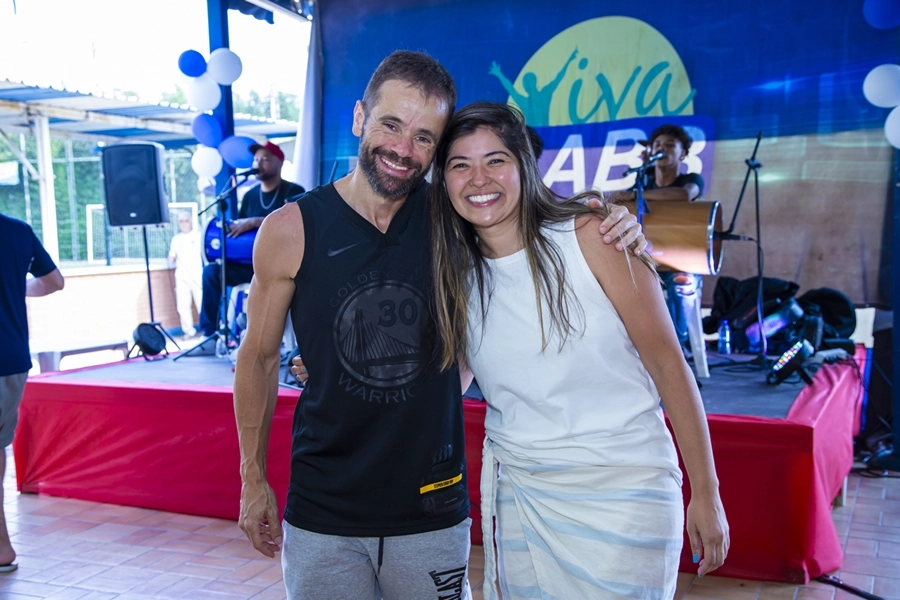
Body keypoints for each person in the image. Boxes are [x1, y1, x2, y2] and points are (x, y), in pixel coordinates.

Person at [235, 51, 646, 600]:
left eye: (425, 137)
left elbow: (533, 218)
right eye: (391, 125)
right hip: (324, 509)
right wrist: (252, 477)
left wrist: (607, 216)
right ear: (359, 118)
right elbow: (258, 358)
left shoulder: (455, 219)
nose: (404, 150)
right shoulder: (290, 229)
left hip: (431, 507)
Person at [428, 102, 728, 599]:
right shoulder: (456, 274)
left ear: (525, 164)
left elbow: (667, 363)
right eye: (460, 165)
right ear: (444, 180)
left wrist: (708, 493)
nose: (479, 178)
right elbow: (447, 387)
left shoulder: (592, 234)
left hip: (625, 488)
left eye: (496, 159)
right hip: (523, 492)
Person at [0, 212, 65, 572]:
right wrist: (13, 284)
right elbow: (54, 281)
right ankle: (2, 547)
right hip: (12, 360)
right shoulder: (18, 230)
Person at [197, 140, 305, 339]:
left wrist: (256, 221)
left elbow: (298, 227)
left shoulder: (294, 191)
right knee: (212, 272)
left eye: (265, 159)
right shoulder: (250, 196)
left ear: (280, 163)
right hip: (251, 266)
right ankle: (209, 334)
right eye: (256, 159)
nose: (258, 163)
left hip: (283, 266)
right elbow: (241, 233)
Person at [620, 124, 705, 352]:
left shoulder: (691, 179)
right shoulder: (643, 180)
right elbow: (622, 200)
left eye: (669, 146)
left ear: (683, 153)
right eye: (657, 145)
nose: (662, 149)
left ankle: (675, 349)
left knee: (682, 281)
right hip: (646, 258)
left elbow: (684, 195)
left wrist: (636, 194)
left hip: (679, 263)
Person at [168, 211, 203, 338]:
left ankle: (207, 329)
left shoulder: (198, 236)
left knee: (202, 303)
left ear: (191, 222)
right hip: (181, 277)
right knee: (183, 305)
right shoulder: (176, 239)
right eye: (181, 221)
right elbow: (171, 257)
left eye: (186, 220)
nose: (183, 223)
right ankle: (188, 331)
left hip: (197, 276)